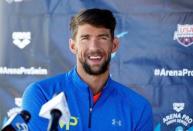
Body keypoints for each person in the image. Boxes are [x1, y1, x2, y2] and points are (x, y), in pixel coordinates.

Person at [22, 8, 153, 131]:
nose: (94, 47)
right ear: (73, 46)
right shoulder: (41, 94)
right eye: (85, 38)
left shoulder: (138, 108)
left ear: (114, 45)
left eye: (102, 38)